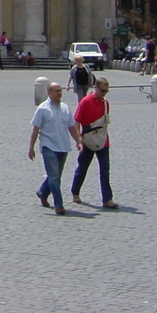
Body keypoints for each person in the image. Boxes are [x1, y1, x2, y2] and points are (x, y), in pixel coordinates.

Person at [28, 81, 81, 215]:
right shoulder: (42, 109)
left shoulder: (65, 108)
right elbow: (35, 129)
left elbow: (71, 127)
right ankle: (59, 205)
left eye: (60, 91)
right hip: (48, 146)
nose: (59, 94)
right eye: (56, 91)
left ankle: (42, 192)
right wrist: (31, 148)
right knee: (54, 176)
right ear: (49, 93)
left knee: (55, 175)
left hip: (63, 146)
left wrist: (78, 141)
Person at [71, 77, 118, 208]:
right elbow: (77, 120)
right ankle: (75, 192)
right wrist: (78, 139)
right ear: (95, 88)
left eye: (106, 91)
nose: (104, 93)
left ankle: (107, 199)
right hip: (87, 139)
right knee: (82, 167)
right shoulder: (85, 102)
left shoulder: (105, 103)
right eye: (102, 91)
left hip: (103, 140)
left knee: (105, 169)